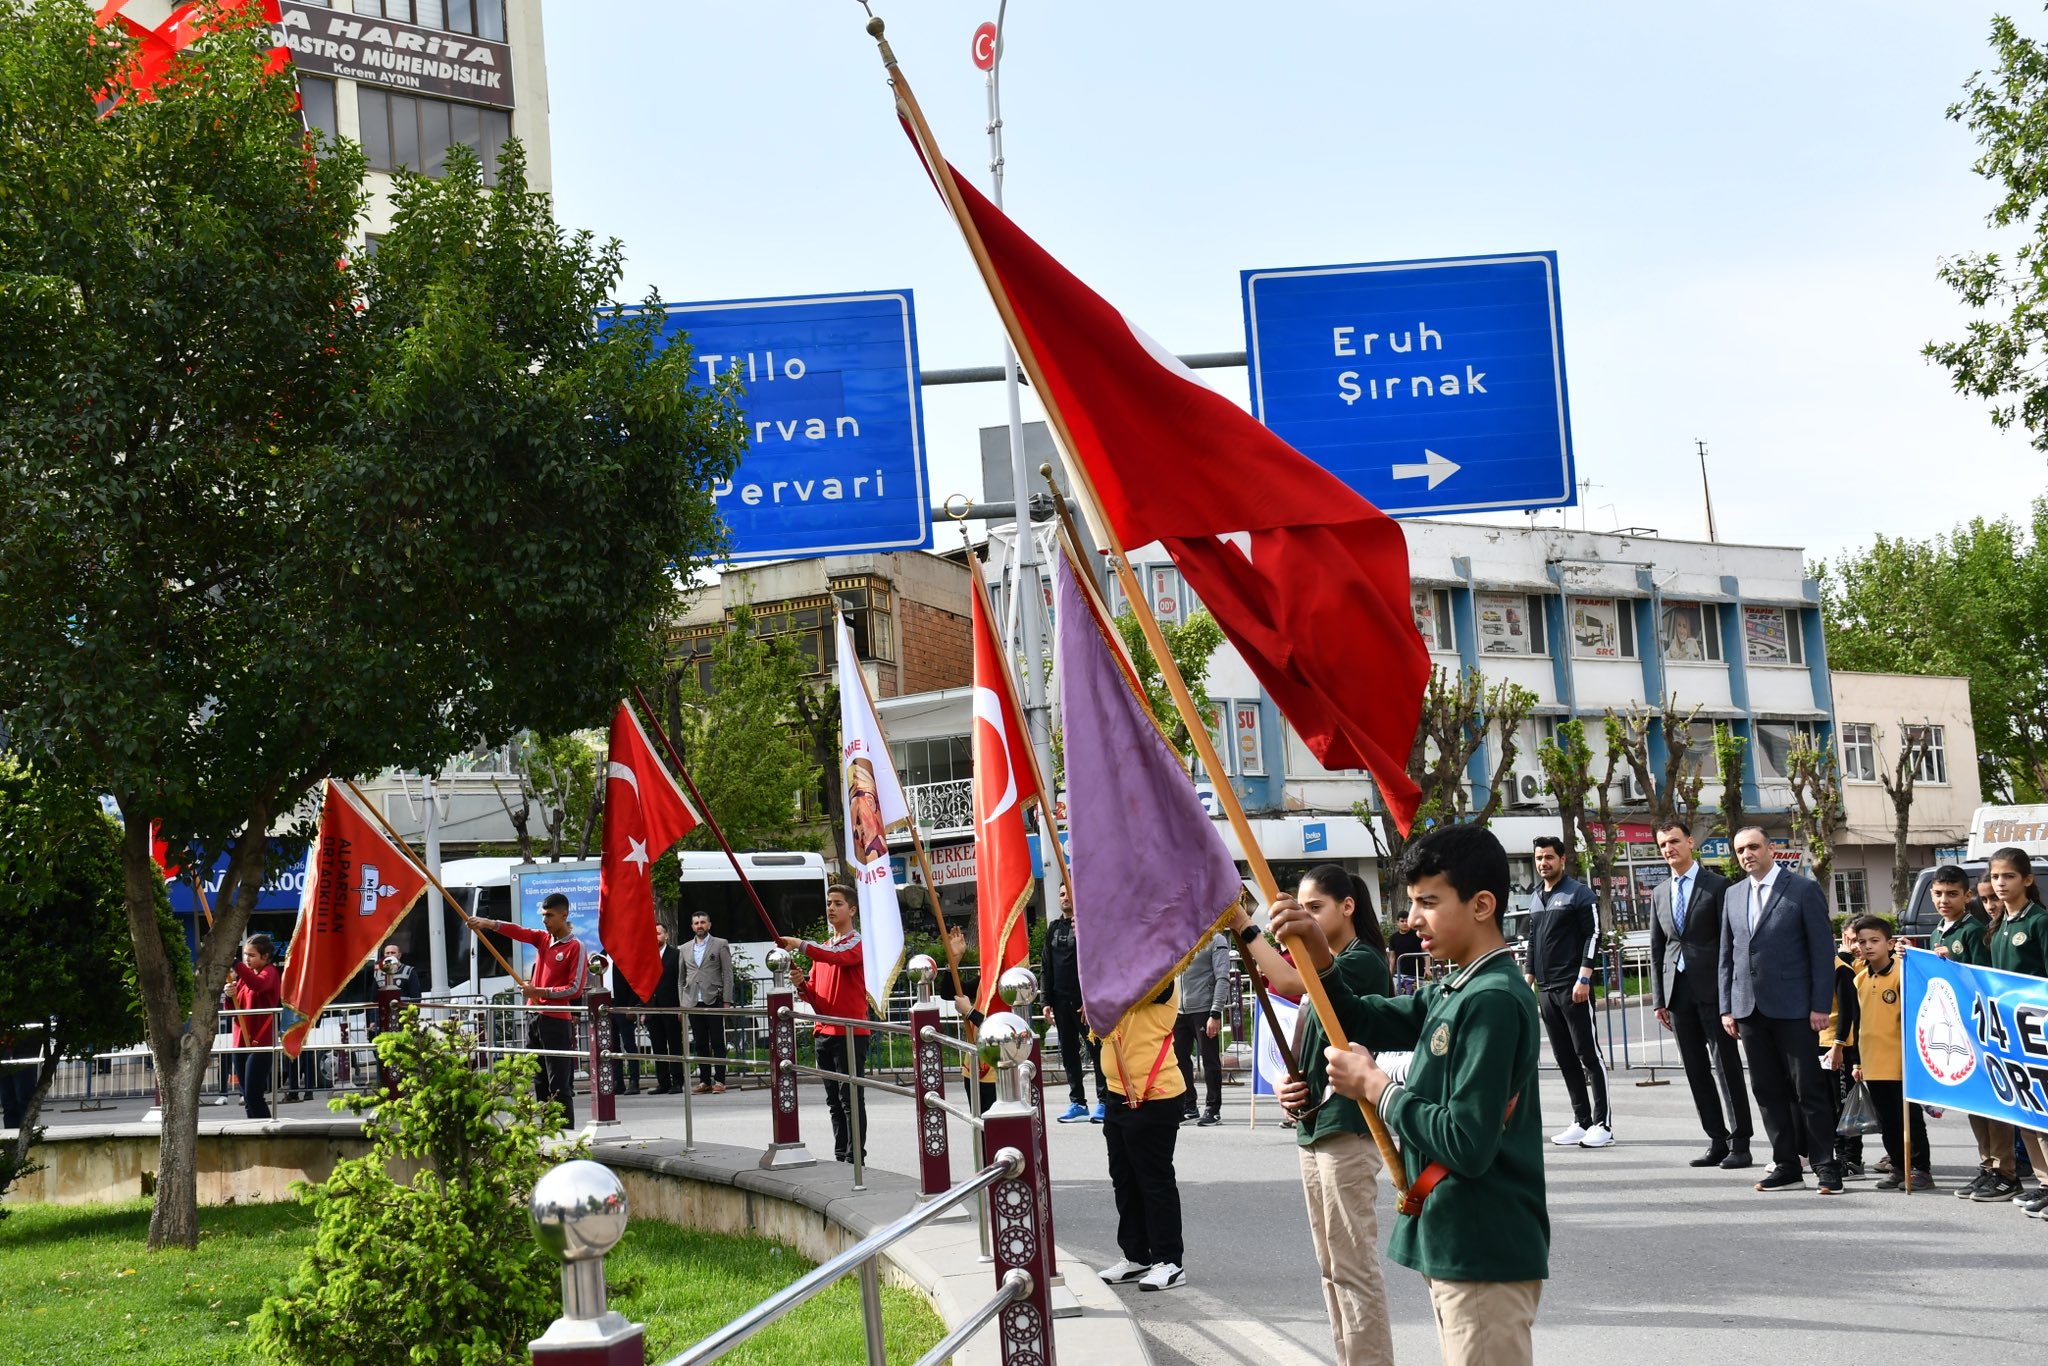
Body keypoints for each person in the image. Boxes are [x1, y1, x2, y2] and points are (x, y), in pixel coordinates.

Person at [1277, 824, 1547, 1366]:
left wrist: (1376, 1087)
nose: (1413, 919)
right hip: (1453, 1236)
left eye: (1428, 901)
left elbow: (1467, 1141)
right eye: (1410, 902)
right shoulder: (1453, 988)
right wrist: (1316, 951)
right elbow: (1357, 1017)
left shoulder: (1492, 998)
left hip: (1482, 1240)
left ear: (1482, 904)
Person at [1232, 866, 1395, 1366]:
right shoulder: (1328, 961)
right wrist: (1291, 1087)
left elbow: (1284, 979)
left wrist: (1241, 920)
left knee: (1353, 1268)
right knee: (1331, 1268)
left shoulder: (1361, 961)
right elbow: (1313, 1043)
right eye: (1299, 908)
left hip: (1351, 1128)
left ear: (1348, 907)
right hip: (1316, 1127)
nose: (1304, 918)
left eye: (1314, 908)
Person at [1718, 826, 1839, 1193]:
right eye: (1740, 850)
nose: (1746, 854)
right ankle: (1785, 1163)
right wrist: (1727, 1007)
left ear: (1771, 849)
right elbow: (1729, 954)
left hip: (1795, 1009)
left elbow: (1822, 952)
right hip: (1749, 1009)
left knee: (1809, 1090)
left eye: (1753, 847)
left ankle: (1825, 1165)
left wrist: (1821, 1005)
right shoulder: (1733, 894)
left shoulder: (1801, 889)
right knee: (1767, 1090)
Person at [1647, 820, 1751, 1167]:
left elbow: (1732, 941)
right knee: (1694, 1068)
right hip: (1677, 993)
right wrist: (1659, 999)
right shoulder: (1661, 892)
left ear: (1690, 842)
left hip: (1713, 989)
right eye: (1663, 845)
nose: (1669, 849)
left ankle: (1740, 1142)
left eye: (1674, 841)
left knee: (1727, 1066)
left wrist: (1732, 994)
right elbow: (1657, 947)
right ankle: (1716, 1139)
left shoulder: (1718, 886)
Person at [1094, 977, 1189, 1294]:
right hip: (1117, 1094)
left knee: (1154, 1179)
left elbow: (1135, 986)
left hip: (1155, 1094)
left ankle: (1169, 1260)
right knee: (1124, 1178)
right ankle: (1136, 1256)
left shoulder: (1160, 976)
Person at [1929, 865, 2014, 1200]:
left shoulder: (1974, 930)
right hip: (1956, 1032)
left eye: (1952, 894)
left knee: (1994, 1103)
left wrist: (1955, 964)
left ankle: (2005, 1170)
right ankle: (1987, 1166)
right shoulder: (1938, 932)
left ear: (1967, 896)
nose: (1943, 900)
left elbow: (1983, 978)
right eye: (1938, 893)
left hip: (1982, 1028)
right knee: (1974, 1102)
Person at [465, 892, 585, 1128]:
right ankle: (546, 1128)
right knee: (538, 1079)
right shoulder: (543, 940)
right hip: (534, 1017)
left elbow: (574, 989)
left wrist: (540, 992)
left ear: (564, 915)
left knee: (558, 1082)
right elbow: (518, 931)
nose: (545, 920)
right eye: (543, 915)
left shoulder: (575, 946)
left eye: (550, 915)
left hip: (557, 1020)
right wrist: (487, 923)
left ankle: (565, 1131)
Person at [1833, 915, 1933, 1191]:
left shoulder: (1903, 973)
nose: (1867, 946)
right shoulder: (1860, 978)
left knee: (1909, 1119)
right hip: (1872, 1061)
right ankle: (1899, 1167)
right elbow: (1857, 1021)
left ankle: (1920, 1169)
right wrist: (1857, 1060)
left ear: (1890, 943)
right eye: (1862, 941)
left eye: (1874, 941)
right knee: (1887, 1119)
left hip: (1901, 1061)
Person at [1524, 836, 1611, 1148]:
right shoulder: (1536, 896)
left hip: (1573, 986)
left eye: (1549, 857)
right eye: (1538, 858)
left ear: (1562, 859)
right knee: (1564, 1056)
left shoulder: (1578, 893)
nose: (1543, 863)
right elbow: (1534, 941)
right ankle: (1582, 1120)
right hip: (1546, 990)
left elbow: (1594, 934)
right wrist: (1528, 980)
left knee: (1588, 1054)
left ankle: (1603, 1124)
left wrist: (1584, 977)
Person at [782, 886, 871, 1165]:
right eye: (829, 903)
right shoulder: (824, 948)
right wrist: (802, 986)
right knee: (834, 1101)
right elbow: (818, 1000)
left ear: (852, 910)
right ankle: (840, 1154)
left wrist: (798, 944)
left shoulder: (856, 943)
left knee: (850, 1099)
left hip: (850, 1032)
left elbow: (837, 957)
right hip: (824, 1031)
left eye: (838, 903)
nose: (831, 908)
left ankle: (856, 1157)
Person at [1983, 846, 2048, 1212]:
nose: (2001, 883)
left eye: (2008, 876)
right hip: (2010, 1034)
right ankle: (2043, 1182)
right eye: (1996, 877)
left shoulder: (2038, 921)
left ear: (2027, 879)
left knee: (2044, 1113)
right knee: (2024, 1110)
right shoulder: (2000, 925)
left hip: (2038, 1032)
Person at [1042, 878, 1106, 1123]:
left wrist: (1091, 1000)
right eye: (1061, 894)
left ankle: (1104, 1101)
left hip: (1084, 1004)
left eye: (1068, 893)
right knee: (1069, 1053)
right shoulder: (1053, 928)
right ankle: (1077, 1102)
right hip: (1060, 1002)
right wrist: (1046, 1001)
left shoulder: (1088, 926)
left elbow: (1097, 964)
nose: (1065, 898)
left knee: (1097, 1050)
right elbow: (1046, 967)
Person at [1174, 928, 1232, 1126]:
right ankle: (1189, 1105)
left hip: (1204, 1009)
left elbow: (1222, 977)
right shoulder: (1178, 937)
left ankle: (1213, 1109)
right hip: (1179, 1011)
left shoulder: (1215, 939)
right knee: (1178, 1059)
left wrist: (1215, 1013)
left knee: (1210, 1060)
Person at [1821, 921, 1864, 1176]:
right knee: (1828, 1105)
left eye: (1861, 940)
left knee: (1845, 1105)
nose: (1858, 945)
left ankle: (1851, 1158)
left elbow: (1848, 1012)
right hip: (1819, 1044)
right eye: (1852, 939)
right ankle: (1838, 1156)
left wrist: (1838, 1046)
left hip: (1840, 1045)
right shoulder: (1824, 965)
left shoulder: (1842, 967)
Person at [941, 925, 999, 1115]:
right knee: (979, 1129)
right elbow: (949, 993)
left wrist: (970, 1012)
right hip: (974, 1064)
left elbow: (1000, 1030)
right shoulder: (987, 977)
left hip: (998, 1070)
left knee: (996, 1133)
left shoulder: (1011, 981)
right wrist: (954, 960)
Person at [226, 933, 283, 1120]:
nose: (247, 959)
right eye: (245, 955)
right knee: (246, 1096)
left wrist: (236, 965)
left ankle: (266, 1129)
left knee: (253, 1094)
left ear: (265, 956)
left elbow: (258, 985)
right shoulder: (243, 978)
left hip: (261, 1042)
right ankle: (254, 1128)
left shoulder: (270, 973)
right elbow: (234, 1009)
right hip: (241, 1041)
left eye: (252, 955)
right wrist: (229, 994)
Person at [683, 911, 734, 1094]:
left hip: (713, 999)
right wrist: (683, 1004)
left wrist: (727, 1001)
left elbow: (727, 974)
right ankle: (704, 1080)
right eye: (696, 923)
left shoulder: (720, 944)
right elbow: (681, 979)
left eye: (703, 922)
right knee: (700, 1043)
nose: (699, 925)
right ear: (692, 926)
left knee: (718, 1042)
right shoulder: (685, 948)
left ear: (709, 925)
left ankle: (720, 1080)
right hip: (693, 1001)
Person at [599, 950, 644, 1097]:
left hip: (623, 1004)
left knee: (629, 1044)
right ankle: (618, 1081)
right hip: (606, 1004)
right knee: (612, 1045)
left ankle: (634, 1081)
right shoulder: (602, 955)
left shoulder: (625, 954)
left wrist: (631, 1006)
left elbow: (634, 981)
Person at [647, 921, 685, 1095]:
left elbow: (682, 981)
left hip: (671, 1007)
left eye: (659, 933)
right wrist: (644, 1009)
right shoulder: (646, 956)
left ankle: (678, 1081)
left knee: (674, 1045)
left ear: (666, 935)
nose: (656, 937)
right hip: (653, 1009)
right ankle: (663, 1082)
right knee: (658, 1047)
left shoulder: (676, 955)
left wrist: (680, 1007)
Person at [1387, 909, 1424, 993]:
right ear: (1397, 922)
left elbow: (1425, 951)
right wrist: (1390, 974)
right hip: (1401, 974)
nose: (1404, 923)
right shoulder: (1393, 938)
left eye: (1406, 921)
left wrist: (1428, 968)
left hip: (1417, 973)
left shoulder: (1417, 934)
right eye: (1402, 921)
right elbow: (1392, 957)